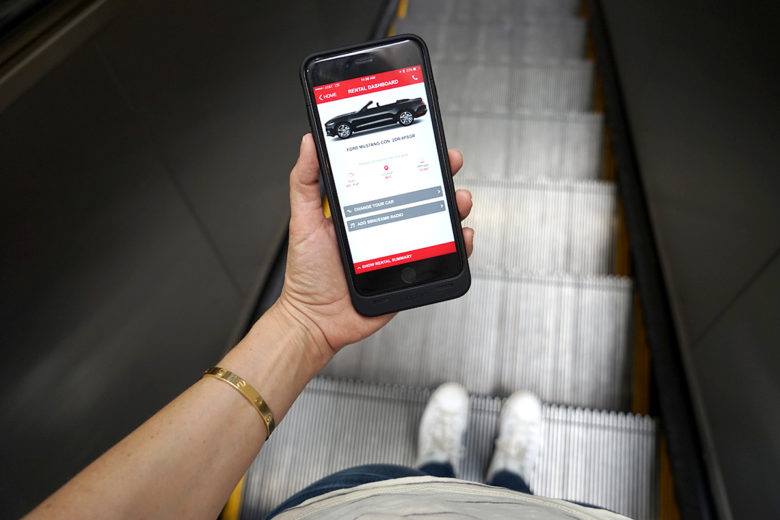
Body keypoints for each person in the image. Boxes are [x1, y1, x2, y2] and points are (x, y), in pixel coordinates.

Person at [27, 135, 627, 519]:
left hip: (370, 505)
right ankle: (507, 476)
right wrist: (305, 321)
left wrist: (303, 323)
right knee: (510, 506)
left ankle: (439, 468)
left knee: (425, 492)